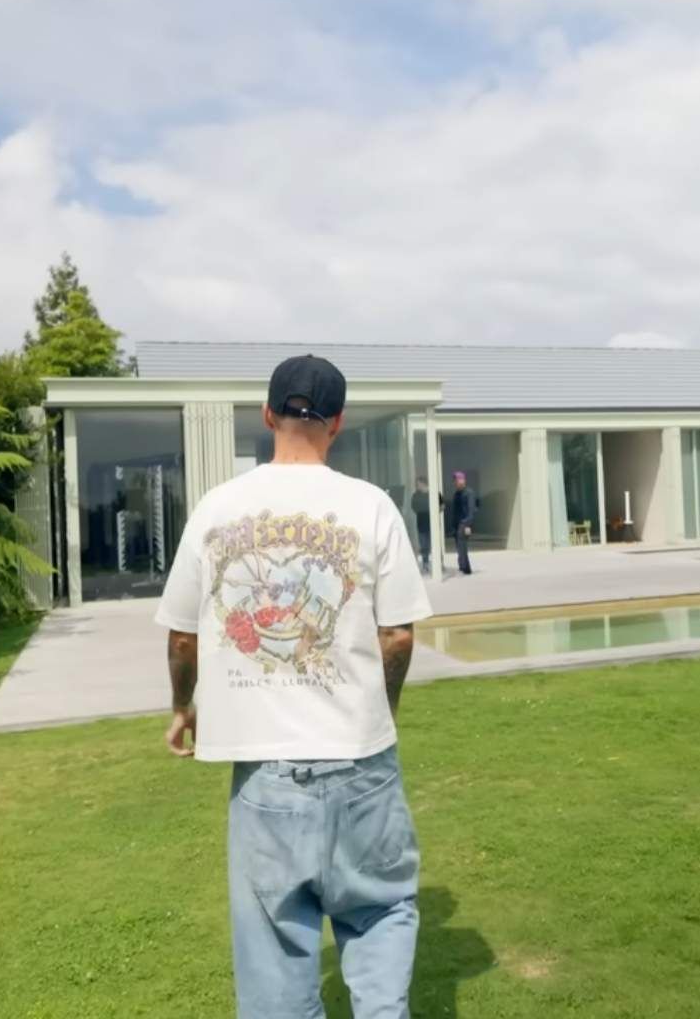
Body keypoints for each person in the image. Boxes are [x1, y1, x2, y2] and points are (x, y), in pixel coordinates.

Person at [157, 355, 433, 1019]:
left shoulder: (218, 508)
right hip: (362, 759)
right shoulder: (372, 507)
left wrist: (182, 706)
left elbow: (183, 635)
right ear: (338, 423)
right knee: (381, 910)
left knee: (275, 945)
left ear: (267, 414)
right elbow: (397, 635)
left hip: (267, 773)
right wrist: (380, 710)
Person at [445, 471, 478, 576]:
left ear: (463, 480)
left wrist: (467, 523)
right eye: (455, 480)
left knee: (462, 545)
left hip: (464, 523)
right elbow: (455, 510)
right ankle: (462, 566)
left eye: (458, 479)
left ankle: (466, 568)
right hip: (457, 524)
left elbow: (471, 509)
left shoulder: (469, 493)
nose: (456, 482)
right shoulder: (456, 494)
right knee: (459, 546)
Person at [410, 476, 433, 573]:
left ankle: (438, 563)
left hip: (432, 524)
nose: (417, 486)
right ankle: (425, 563)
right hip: (422, 523)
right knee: (424, 545)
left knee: (433, 545)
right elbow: (414, 506)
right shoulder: (416, 495)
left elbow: (441, 505)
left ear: (423, 484)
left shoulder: (433, 493)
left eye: (418, 484)